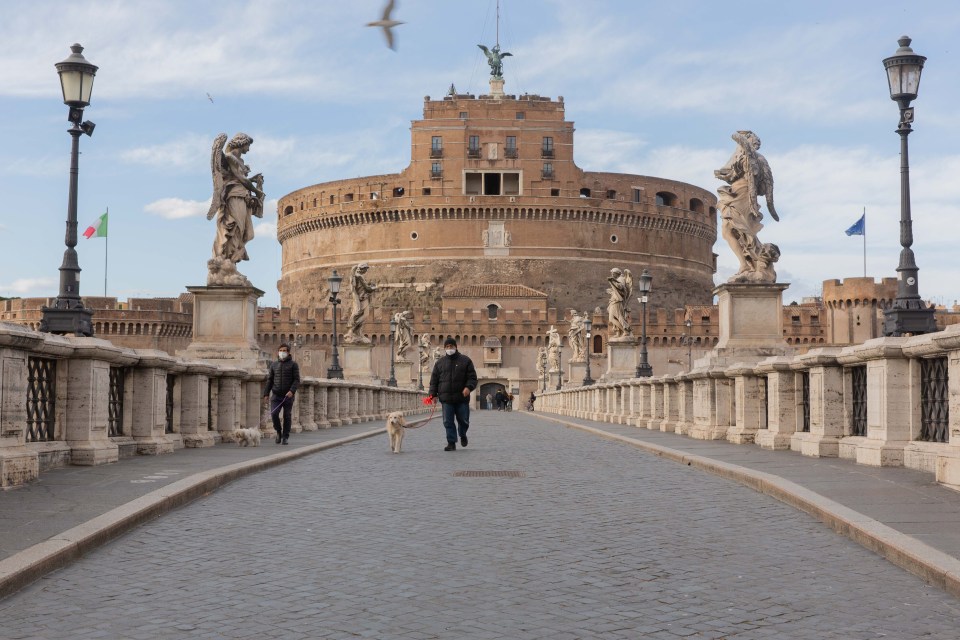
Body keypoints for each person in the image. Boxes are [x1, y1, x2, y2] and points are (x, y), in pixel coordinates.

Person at [428, 337, 478, 451]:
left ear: (456, 347)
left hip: (462, 398)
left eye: (451, 346)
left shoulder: (466, 361)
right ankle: (451, 442)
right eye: (447, 347)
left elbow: (472, 378)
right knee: (447, 421)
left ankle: (463, 434)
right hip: (446, 399)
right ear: (444, 348)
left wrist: (468, 387)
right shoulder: (440, 363)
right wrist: (433, 395)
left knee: (464, 420)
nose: (449, 348)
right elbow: (434, 380)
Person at [263, 343, 300, 445]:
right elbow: (270, 380)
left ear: (288, 352)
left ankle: (285, 436)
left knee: (287, 416)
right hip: (276, 395)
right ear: (278, 352)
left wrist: (292, 391)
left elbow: (297, 380)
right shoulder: (274, 365)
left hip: (288, 395)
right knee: (274, 414)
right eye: (281, 350)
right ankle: (278, 432)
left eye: (284, 351)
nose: (282, 352)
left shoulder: (293, 365)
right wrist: (266, 393)